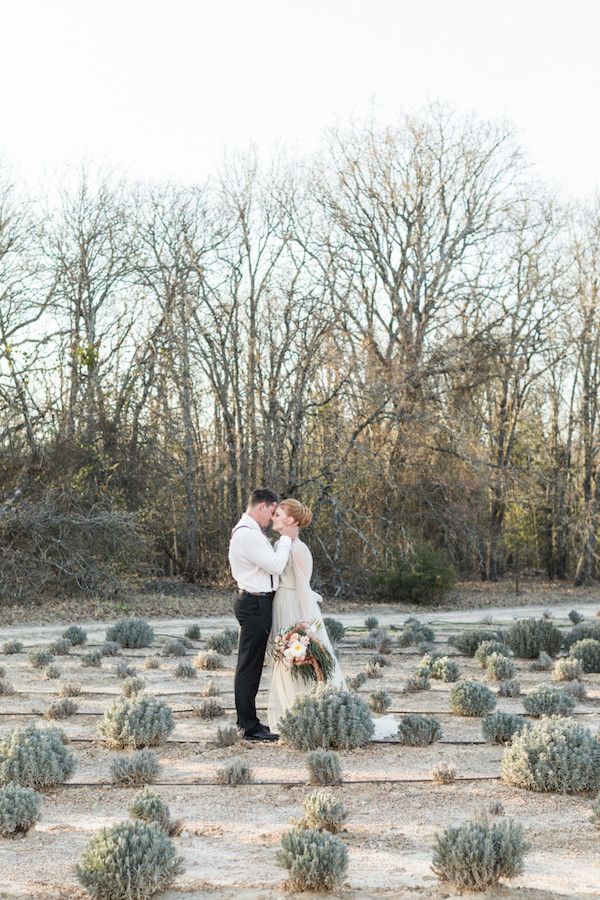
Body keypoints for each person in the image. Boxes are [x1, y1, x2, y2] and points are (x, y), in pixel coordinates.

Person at [266, 498, 397, 740]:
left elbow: (303, 589)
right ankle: (294, 717)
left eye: (279, 514)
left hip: (297, 611)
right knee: (286, 665)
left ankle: (318, 715)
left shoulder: (299, 549)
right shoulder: (281, 545)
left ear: (292, 520)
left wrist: (306, 627)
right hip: (281, 606)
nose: (273, 516)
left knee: (306, 662)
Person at [228, 488, 299, 741]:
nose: (271, 518)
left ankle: (250, 722)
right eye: (271, 512)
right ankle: (248, 726)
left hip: (256, 602)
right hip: (254, 603)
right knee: (249, 665)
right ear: (261, 507)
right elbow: (276, 565)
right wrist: (287, 539)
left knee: (253, 663)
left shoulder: (250, 532)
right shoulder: (248, 535)